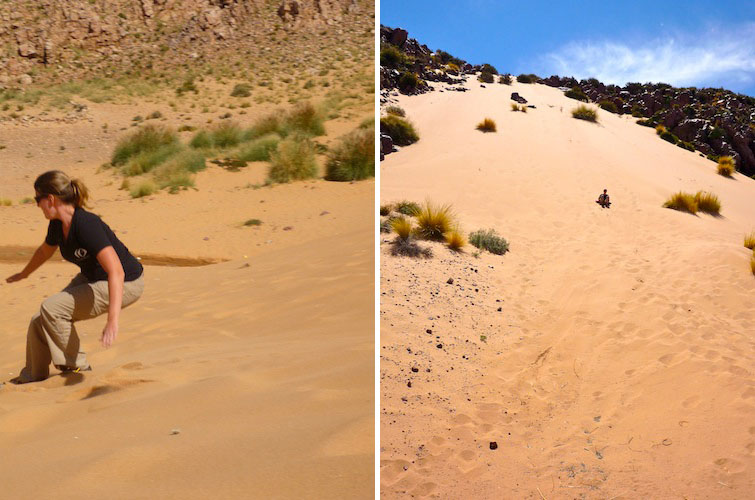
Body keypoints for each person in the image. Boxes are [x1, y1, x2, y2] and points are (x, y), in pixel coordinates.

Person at [5, 170, 144, 384]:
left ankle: (79, 368)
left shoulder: (86, 224)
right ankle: (33, 375)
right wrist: (24, 274)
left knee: (52, 308)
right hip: (94, 279)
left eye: (37, 199)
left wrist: (112, 320)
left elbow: (116, 270)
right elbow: (44, 252)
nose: (37, 205)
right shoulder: (57, 225)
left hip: (125, 283)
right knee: (39, 319)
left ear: (50, 199)